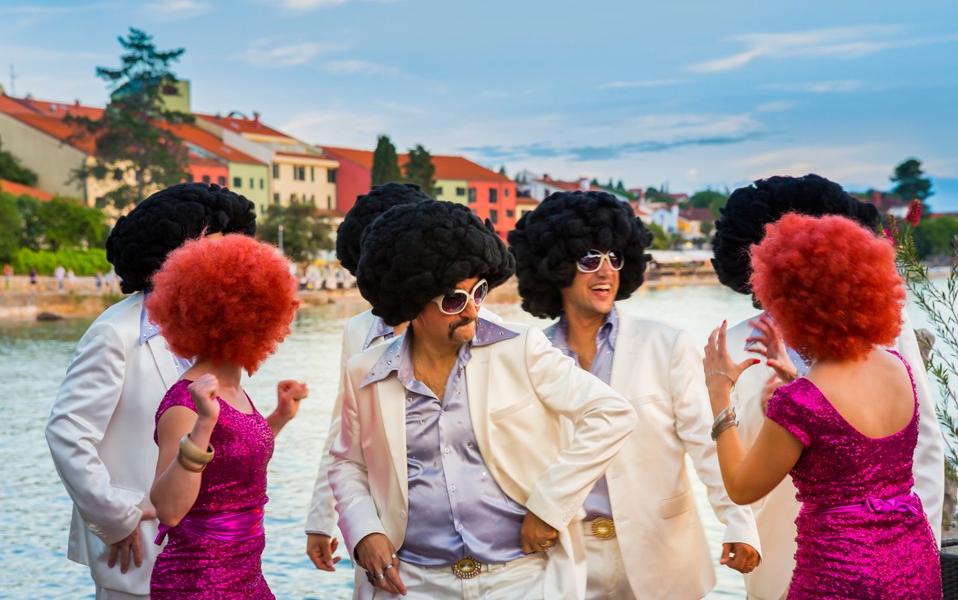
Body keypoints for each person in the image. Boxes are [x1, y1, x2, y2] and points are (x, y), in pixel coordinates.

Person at [328, 199, 637, 599]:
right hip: (414, 583)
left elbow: (612, 414)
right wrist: (364, 530)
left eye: (479, 291)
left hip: (520, 579)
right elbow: (347, 462)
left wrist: (549, 505)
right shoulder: (365, 371)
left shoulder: (521, 348)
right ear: (413, 302)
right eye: (455, 300)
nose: (472, 310)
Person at [508, 191, 761, 600]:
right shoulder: (526, 355)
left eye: (614, 258)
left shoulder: (666, 344)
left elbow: (706, 442)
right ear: (554, 266)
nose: (605, 271)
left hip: (661, 556)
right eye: (589, 259)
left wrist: (739, 523)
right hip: (563, 559)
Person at [710, 174, 945, 600]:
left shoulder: (881, 351)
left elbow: (927, 441)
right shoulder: (893, 366)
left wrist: (719, 395)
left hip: (839, 569)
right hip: (790, 545)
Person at [45, 183, 256, 600]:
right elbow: (67, 433)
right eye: (211, 251)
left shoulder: (214, 336)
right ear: (172, 255)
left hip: (214, 558)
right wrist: (116, 518)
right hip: (137, 553)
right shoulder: (114, 332)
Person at [147, 234, 307, 598]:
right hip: (199, 582)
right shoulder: (185, 404)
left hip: (247, 574)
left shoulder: (231, 388)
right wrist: (203, 423)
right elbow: (169, 510)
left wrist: (279, 417)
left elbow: (232, 458)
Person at [306, 182, 432, 573]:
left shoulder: (466, 322)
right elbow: (342, 431)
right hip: (380, 524)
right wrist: (321, 519)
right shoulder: (357, 331)